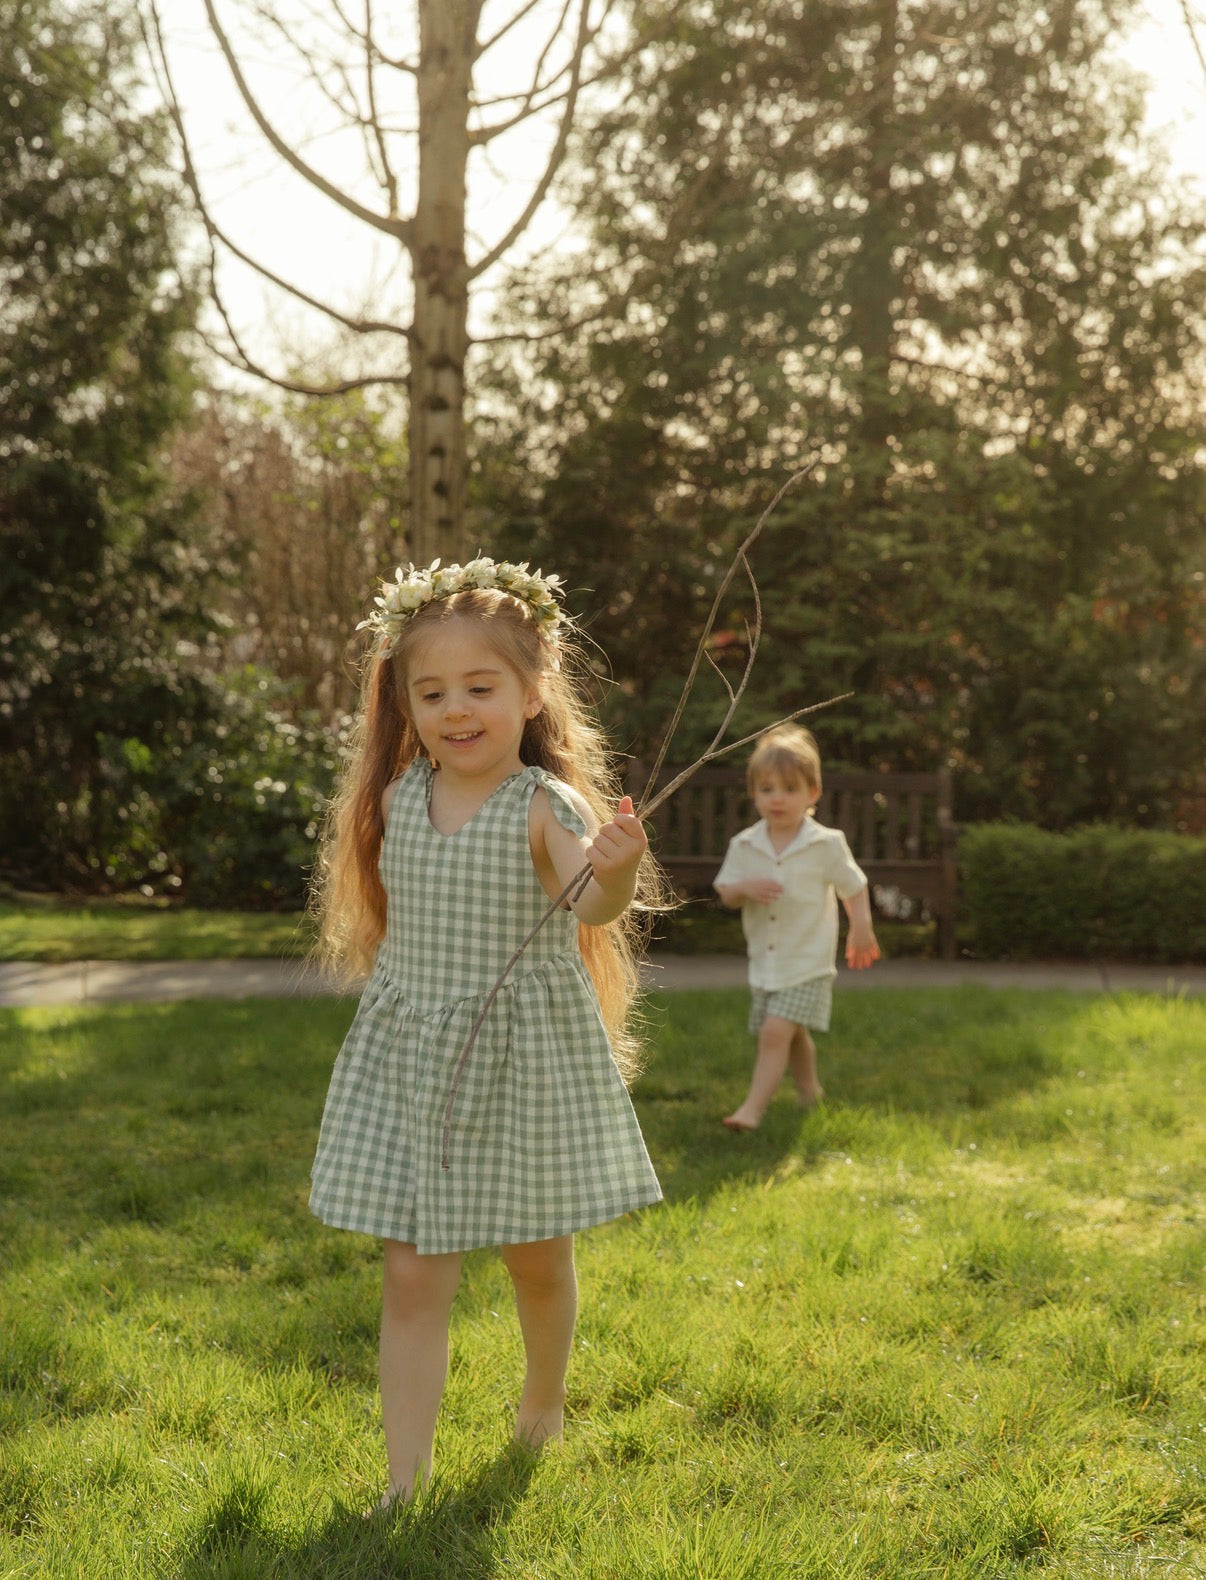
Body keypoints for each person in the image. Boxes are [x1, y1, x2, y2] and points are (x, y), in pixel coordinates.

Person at [308, 556, 664, 1505]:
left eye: (480, 686)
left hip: (519, 1065)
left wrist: (618, 867)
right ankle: (404, 1483)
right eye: (432, 692)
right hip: (414, 1063)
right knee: (413, 1273)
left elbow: (588, 905)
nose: (456, 709)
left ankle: (540, 1403)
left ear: (533, 690)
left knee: (537, 1258)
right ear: (406, 703)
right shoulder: (396, 801)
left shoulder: (546, 806)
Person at [713, 724, 879, 1131]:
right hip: (767, 961)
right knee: (793, 1032)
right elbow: (726, 893)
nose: (778, 798)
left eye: (789, 788)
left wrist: (861, 928)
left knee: (774, 1031)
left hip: (808, 959)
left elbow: (853, 888)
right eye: (767, 789)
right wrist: (744, 888)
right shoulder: (745, 844)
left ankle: (751, 1111)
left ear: (813, 794)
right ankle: (810, 1093)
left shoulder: (826, 843)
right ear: (754, 794)